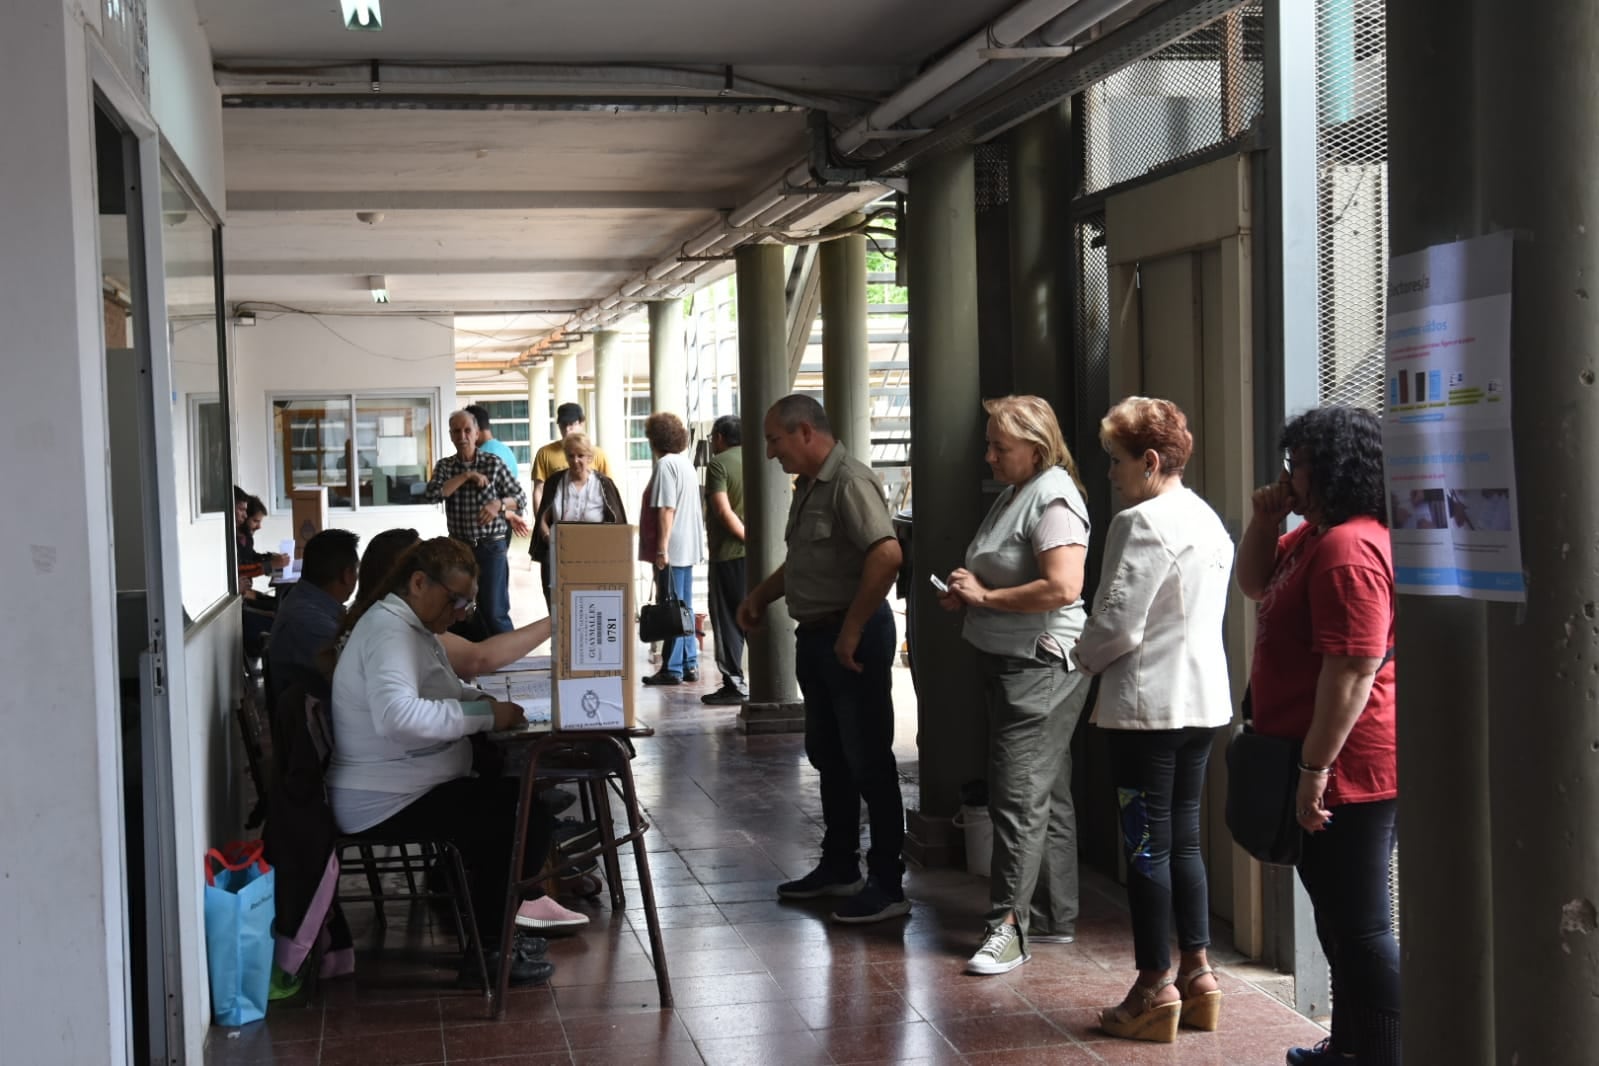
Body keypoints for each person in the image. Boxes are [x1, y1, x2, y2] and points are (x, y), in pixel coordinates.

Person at [325, 538, 568, 988]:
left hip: (404, 786)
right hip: (385, 799)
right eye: (455, 600)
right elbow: (398, 717)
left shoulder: (411, 628)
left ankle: (494, 930)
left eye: (467, 603)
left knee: (517, 804)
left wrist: (480, 702)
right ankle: (491, 949)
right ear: (418, 583)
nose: (461, 613)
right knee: (519, 817)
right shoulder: (389, 633)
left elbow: (446, 693)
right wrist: (483, 715)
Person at [1236, 406, 1399, 1066]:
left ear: (1329, 469)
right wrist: (1264, 520)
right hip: (1315, 759)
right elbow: (1252, 582)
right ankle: (1352, 1050)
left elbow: (1352, 669)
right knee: (1335, 923)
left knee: (1358, 929)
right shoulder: (1313, 537)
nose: (1288, 477)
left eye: (1297, 465)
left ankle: (1383, 1054)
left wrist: (1313, 772)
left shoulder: (1348, 547)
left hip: (1347, 769)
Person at [1069, 397, 1235, 1043]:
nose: (1109, 474)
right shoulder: (1207, 519)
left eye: (1114, 461)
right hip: (1200, 705)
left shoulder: (1138, 523)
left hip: (1145, 713)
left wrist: (1074, 657)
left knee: (1143, 847)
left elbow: (1115, 624)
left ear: (1149, 460)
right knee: (1184, 842)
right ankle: (1196, 974)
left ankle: (1149, 986)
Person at [738, 394, 909, 923]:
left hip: (849, 638)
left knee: (869, 761)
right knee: (829, 756)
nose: (770, 452)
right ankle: (840, 866)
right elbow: (804, 562)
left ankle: (887, 883)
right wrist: (761, 596)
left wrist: (853, 629)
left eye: (775, 439)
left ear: (805, 432)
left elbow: (887, 555)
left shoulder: (850, 483)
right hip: (818, 637)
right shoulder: (810, 486)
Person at [937, 396, 1093, 976]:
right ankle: (1053, 916)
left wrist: (985, 598)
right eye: (990, 445)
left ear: (1036, 446)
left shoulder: (1053, 497)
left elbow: (1062, 588)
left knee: (1017, 795)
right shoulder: (1017, 492)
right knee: (1043, 793)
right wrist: (971, 590)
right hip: (1012, 660)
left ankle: (1008, 928)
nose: (990, 456)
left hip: (1041, 665)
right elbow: (1008, 567)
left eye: (1000, 447)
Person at [357, 528, 552, 679]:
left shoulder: (383, 619)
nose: (460, 614)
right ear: (417, 582)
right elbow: (477, 659)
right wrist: (558, 619)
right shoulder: (392, 630)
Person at [425, 409, 528, 636]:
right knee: (459, 609)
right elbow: (433, 494)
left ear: (477, 433)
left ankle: (508, 663)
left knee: (493, 610)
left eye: (467, 430)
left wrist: (498, 505)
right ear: (451, 436)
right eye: (456, 431)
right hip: (459, 547)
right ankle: (470, 662)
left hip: (491, 546)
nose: (462, 436)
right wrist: (466, 476)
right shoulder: (445, 467)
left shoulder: (493, 463)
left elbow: (519, 498)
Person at [641, 412, 704, 686]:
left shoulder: (666, 465)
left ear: (655, 439)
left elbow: (667, 509)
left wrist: (661, 549)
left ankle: (673, 668)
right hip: (687, 546)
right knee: (684, 608)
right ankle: (689, 663)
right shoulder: (685, 464)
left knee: (671, 609)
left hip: (673, 549)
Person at [531, 403, 613, 604]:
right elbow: (542, 501)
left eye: (581, 456)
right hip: (559, 550)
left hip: (592, 554)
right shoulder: (554, 477)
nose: (576, 461)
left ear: (590, 457)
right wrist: (545, 532)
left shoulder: (602, 479)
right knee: (559, 605)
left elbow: (613, 513)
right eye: (570, 456)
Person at [267, 528, 359, 703]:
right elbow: (358, 678)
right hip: (321, 723)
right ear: (347, 575)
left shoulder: (305, 600)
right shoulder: (310, 623)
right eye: (356, 570)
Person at [701, 414, 748, 705]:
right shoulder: (760, 459)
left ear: (719, 436)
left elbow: (722, 510)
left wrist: (746, 539)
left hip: (729, 554)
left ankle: (734, 683)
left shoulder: (718, 464)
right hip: (760, 558)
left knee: (728, 619)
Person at [464, 403, 521, 483]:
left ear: (475, 428)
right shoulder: (506, 450)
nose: (463, 436)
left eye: (466, 430)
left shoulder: (483, 455)